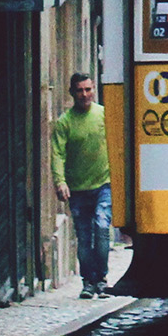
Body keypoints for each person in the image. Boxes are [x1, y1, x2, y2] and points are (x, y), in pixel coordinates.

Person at [51, 72, 113, 298]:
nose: (85, 94)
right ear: (72, 93)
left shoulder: (104, 115)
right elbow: (57, 153)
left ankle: (102, 279)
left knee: (102, 227)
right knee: (84, 238)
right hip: (77, 189)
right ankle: (89, 281)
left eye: (88, 89)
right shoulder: (65, 122)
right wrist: (60, 181)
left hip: (103, 184)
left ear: (94, 89)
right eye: (80, 90)